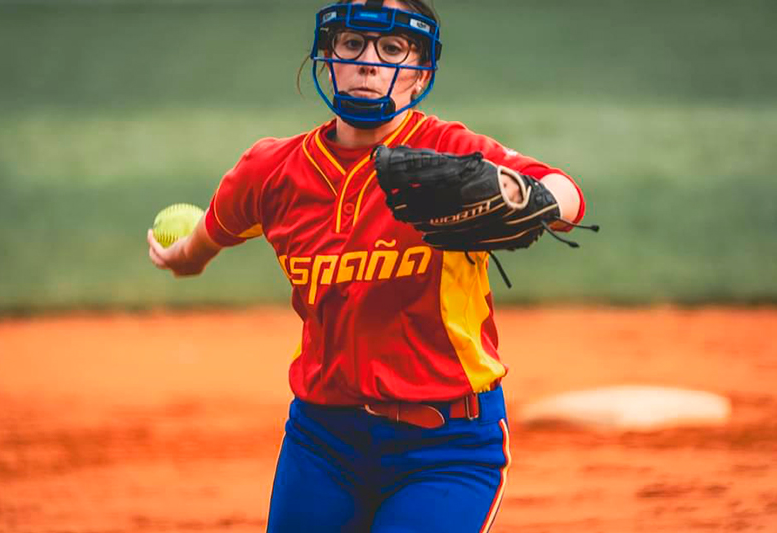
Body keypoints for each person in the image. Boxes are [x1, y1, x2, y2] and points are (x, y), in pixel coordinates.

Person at [147, 0, 586, 531]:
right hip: (322, 440)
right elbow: (204, 240)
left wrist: (533, 200)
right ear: (327, 56)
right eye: (352, 43)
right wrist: (181, 259)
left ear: (420, 71)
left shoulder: (448, 152)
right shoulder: (272, 172)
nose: (369, 61)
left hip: (446, 446)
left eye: (392, 48)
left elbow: (567, 194)